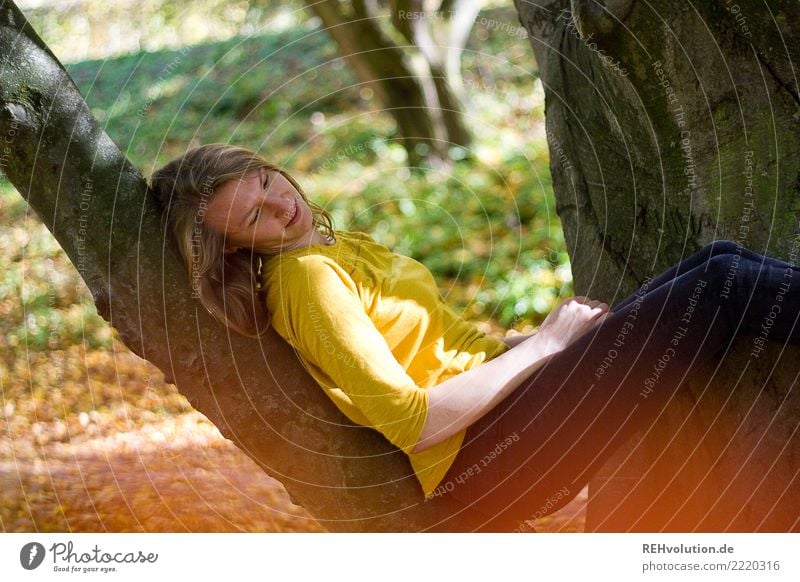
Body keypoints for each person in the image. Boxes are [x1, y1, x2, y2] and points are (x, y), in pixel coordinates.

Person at [150, 143, 800, 532]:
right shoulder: (307, 279)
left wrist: (524, 347)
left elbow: (437, 347)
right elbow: (412, 421)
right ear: (234, 245)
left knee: (708, 266)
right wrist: (548, 346)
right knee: (719, 282)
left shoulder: (333, 245)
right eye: (253, 215)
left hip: (505, 419)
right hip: (482, 461)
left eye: (265, 181)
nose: (279, 203)